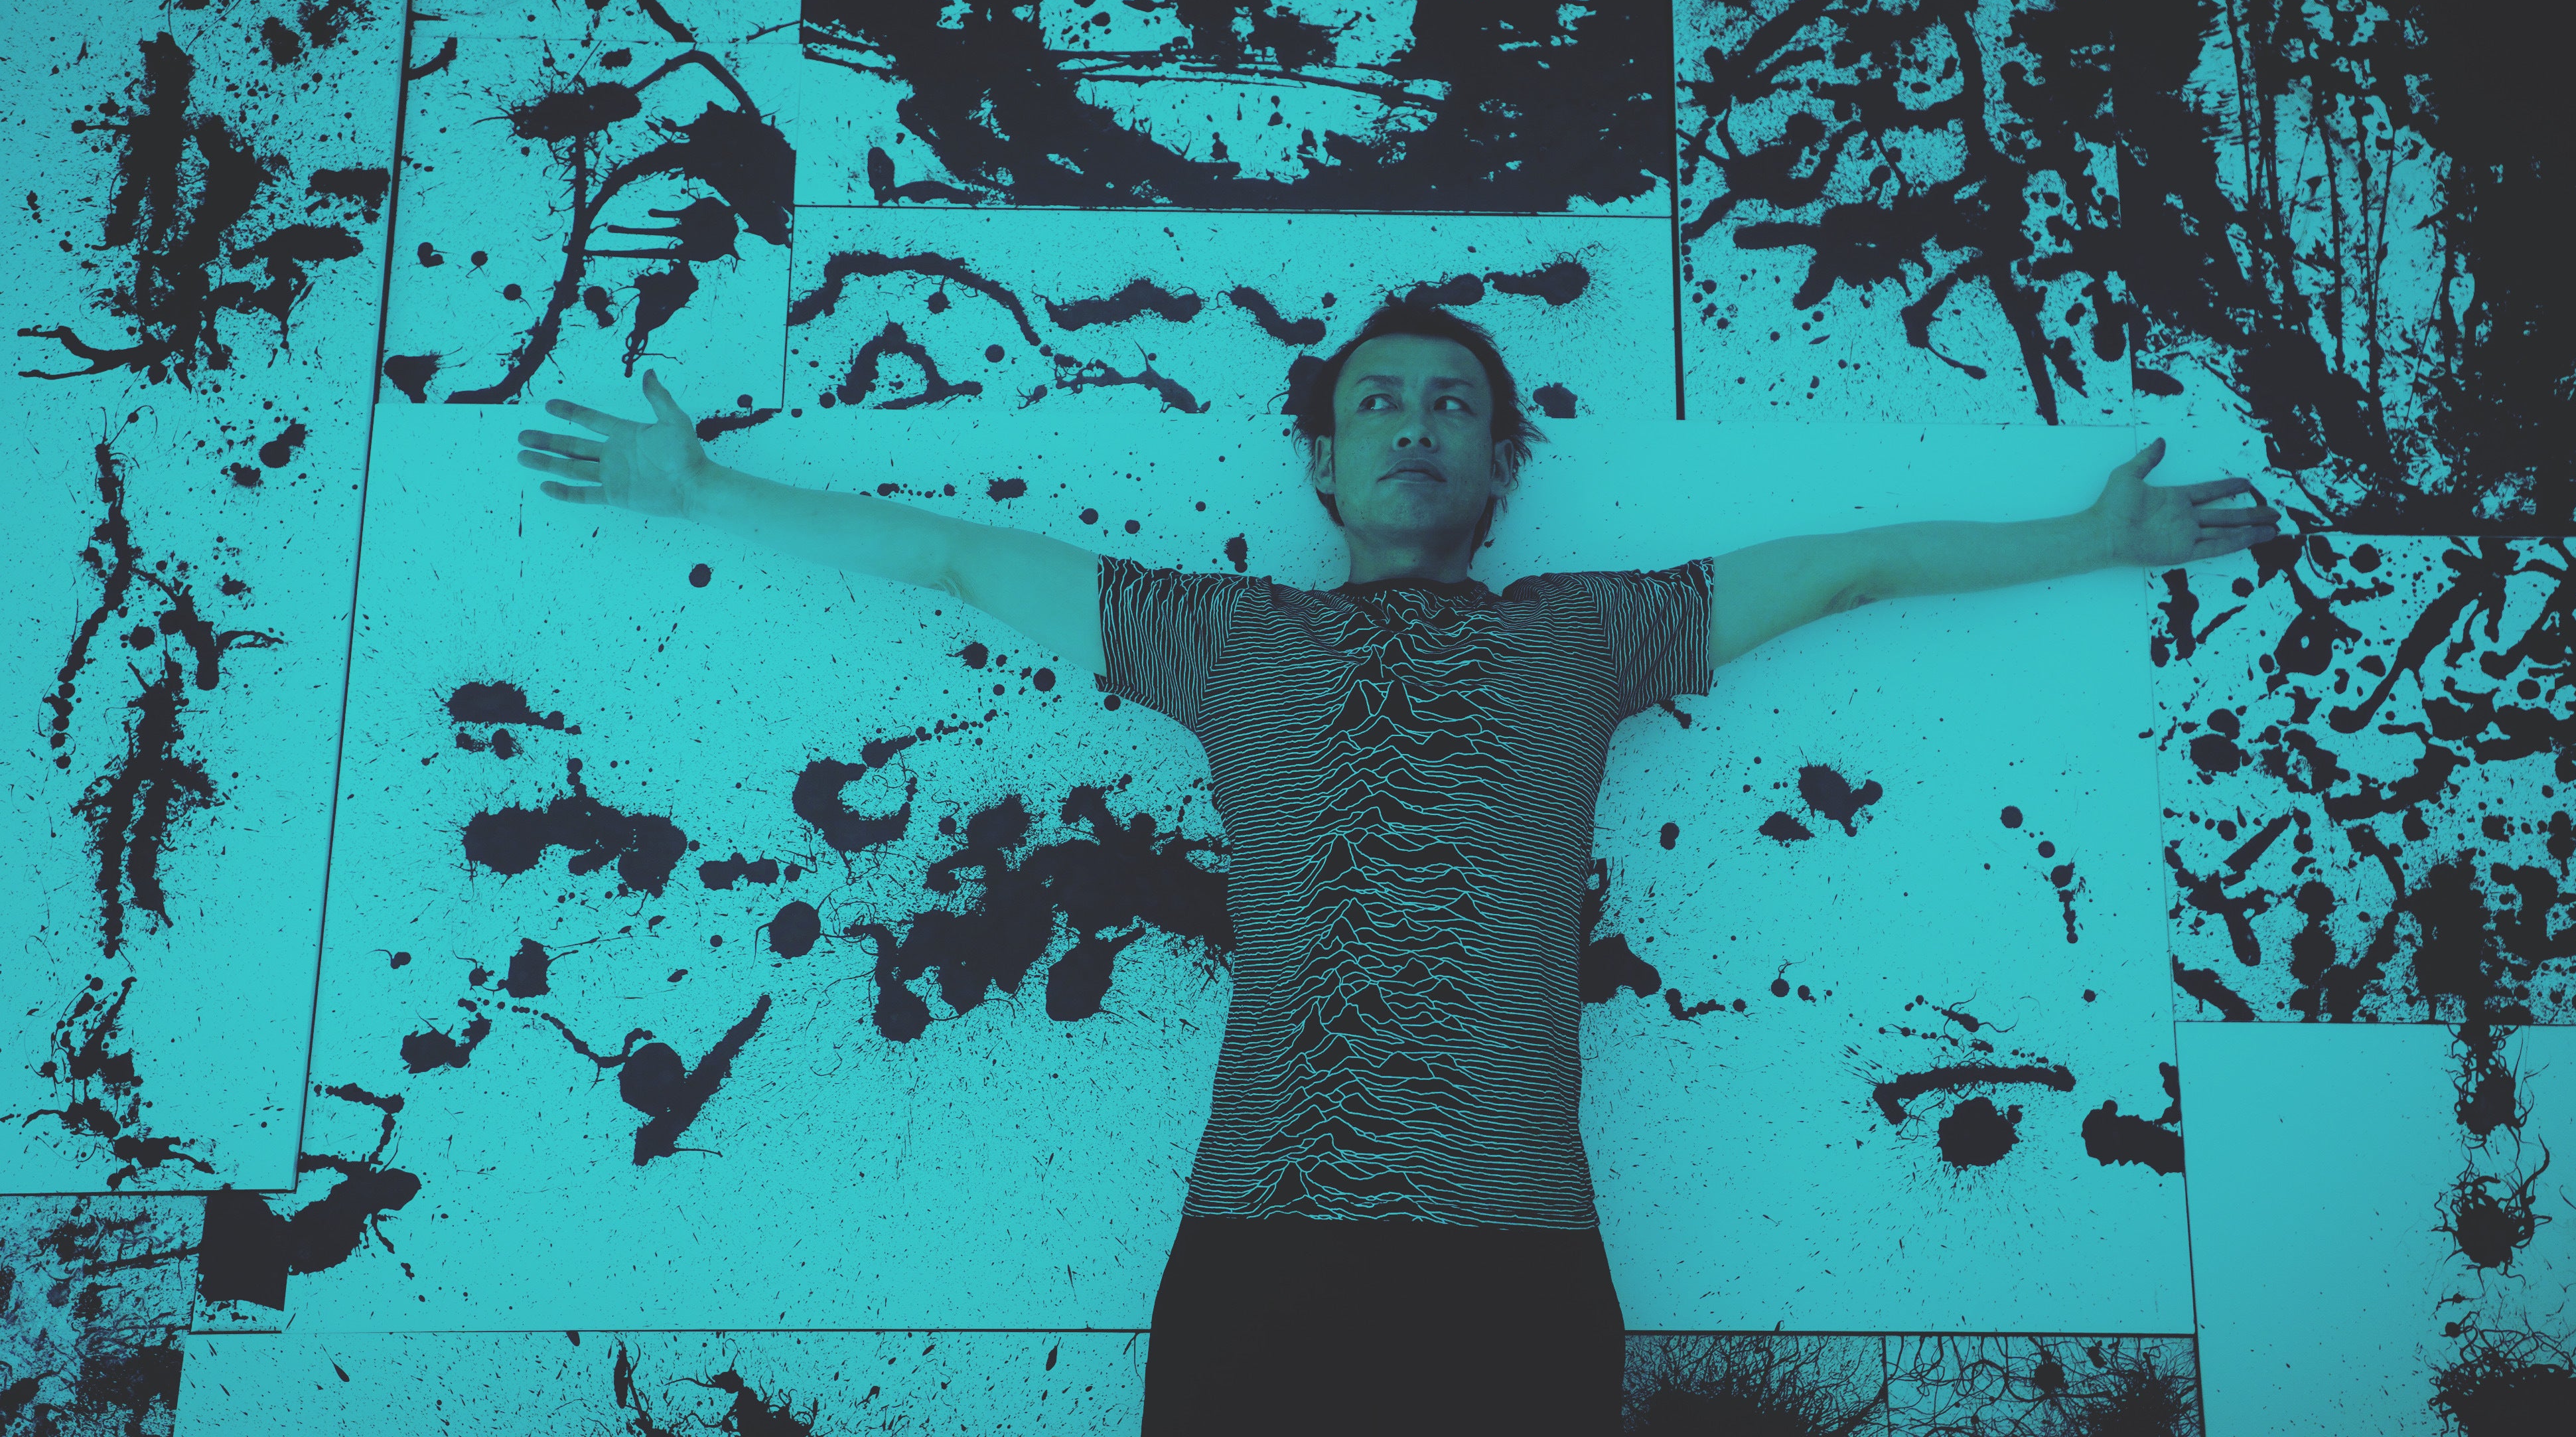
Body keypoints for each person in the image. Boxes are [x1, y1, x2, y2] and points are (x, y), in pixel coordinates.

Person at [520, 303, 2279, 1434]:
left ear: (1502, 463)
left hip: (1514, 1255)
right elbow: (965, 566)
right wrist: (704, 492)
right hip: (1258, 1243)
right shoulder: (1227, 638)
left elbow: (1845, 571)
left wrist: (2087, 539)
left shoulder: (1587, 635)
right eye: (1378, 401)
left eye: (1453, 405)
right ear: (1322, 455)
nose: (1414, 424)